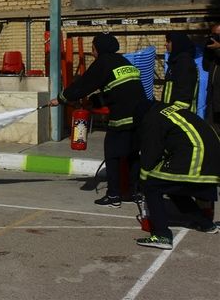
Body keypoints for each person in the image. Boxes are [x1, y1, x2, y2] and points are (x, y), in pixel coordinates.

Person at [50, 33, 147, 208]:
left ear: (99, 49)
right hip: (141, 117)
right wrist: (93, 102)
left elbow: (83, 84)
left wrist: (61, 99)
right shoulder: (124, 62)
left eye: (93, 48)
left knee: (112, 155)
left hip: (122, 117)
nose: (92, 52)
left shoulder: (103, 63)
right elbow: (115, 90)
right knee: (133, 155)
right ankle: (136, 192)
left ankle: (114, 196)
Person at [134, 100, 220, 250]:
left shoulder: (152, 119)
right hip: (213, 159)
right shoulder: (170, 110)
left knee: (152, 185)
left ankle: (162, 235)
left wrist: (141, 181)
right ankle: (205, 224)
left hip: (196, 156)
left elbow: (150, 155)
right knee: (171, 183)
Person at [162, 32, 198, 112]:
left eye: (168, 41)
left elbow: (184, 95)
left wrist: (176, 113)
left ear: (176, 43)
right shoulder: (176, 61)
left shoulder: (184, 62)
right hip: (170, 112)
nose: (165, 44)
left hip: (179, 117)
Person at [203, 23, 220, 132]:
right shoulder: (215, 57)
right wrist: (208, 50)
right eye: (214, 34)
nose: (215, 37)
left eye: (218, 35)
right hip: (213, 100)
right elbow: (206, 66)